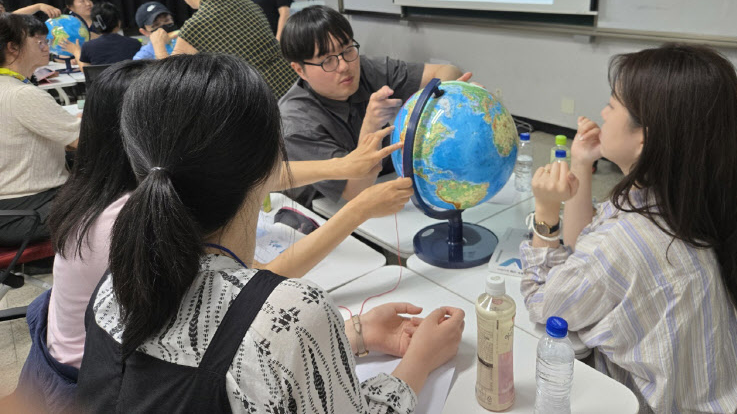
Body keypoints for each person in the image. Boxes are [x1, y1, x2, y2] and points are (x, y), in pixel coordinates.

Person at [76, 54, 465, 413]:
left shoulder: (120, 281)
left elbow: (237, 360)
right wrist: (420, 361)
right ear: (272, 163)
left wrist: (353, 335)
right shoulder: (290, 310)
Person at [519, 44, 737, 411]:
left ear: (645, 137)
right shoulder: (695, 199)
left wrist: (546, 211)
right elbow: (586, 247)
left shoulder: (627, 242)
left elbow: (546, 303)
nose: (602, 111)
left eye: (613, 104)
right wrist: (583, 164)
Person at [278, 5, 470, 205]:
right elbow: (354, 191)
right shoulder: (295, 123)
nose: (344, 66)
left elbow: (448, 71)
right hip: (327, 213)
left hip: (390, 186)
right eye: (327, 60)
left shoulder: (365, 70)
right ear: (299, 70)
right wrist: (371, 126)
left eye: (348, 49)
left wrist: (450, 95)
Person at [152, 0, 296, 99]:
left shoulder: (195, 27)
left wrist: (158, 45)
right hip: (293, 89)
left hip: (263, 104)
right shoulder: (246, 4)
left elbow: (169, 83)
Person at [0, 14, 80, 246]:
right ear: (13, 48)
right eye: (40, 43)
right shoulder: (21, 94)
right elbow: (84, 140)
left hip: (9, 209)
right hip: (28, 210)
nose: (47, 47)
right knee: (113, 199)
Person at [62, 2, 140, 69]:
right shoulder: (135, 44)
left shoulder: (88, 46)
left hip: (102, 86)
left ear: (96, 25)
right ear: (119, 23)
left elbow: (85, 69)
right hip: (129, 86)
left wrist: (76, 51)